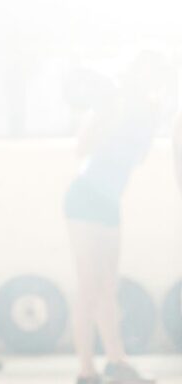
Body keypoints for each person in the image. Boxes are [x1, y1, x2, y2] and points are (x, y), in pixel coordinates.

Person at [63, 51, 172, 384]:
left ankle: (117, 361)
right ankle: (86, 371)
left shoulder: (147, 113)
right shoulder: (111, 106)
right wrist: (106, 113)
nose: (151, 81)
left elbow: (138, 157)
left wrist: (146, 115)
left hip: (109, 201)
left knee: (109, 285)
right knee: (89, 286)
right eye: (147, 73)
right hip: (85, 197)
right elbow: (81, 149)